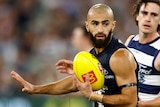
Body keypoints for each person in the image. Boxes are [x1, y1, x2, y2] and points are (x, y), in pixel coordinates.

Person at [11, 4, 138, 107]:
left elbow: (131, 100)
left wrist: (92, 96)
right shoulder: (94, 55)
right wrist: (36, 89)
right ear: (87, 26)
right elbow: (73, 84)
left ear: (113, 25)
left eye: (105, 23)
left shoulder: (120, 56)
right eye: (95, 23)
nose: (100, 29)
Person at [125, 0, 160, 107]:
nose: (148, 19)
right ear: (137, 16)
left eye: (154, 15)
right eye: (144, 13)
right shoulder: (130, 41)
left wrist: (144, 104)